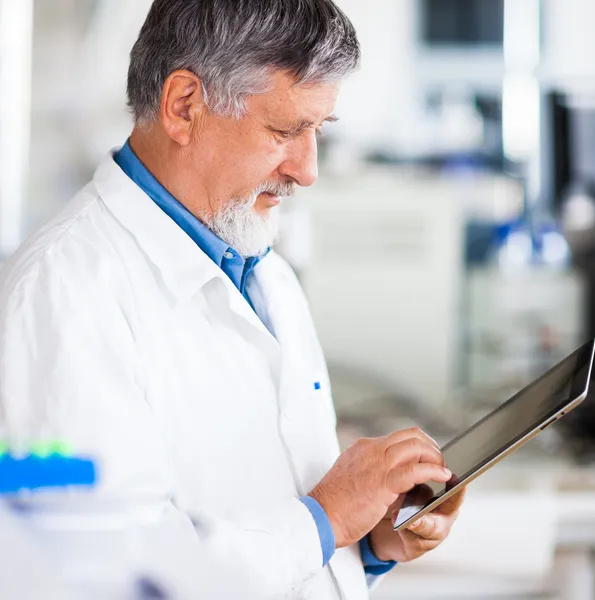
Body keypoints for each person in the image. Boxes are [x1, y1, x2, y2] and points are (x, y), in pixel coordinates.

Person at [0, 1, 465, 598]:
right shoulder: (65, 290)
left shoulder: (258, 266)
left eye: (318, 130)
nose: (308, 170)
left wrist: (368, 542)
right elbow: (103, 578)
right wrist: (323, 520)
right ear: (184, 106)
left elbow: (282, 521)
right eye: (285, 130)